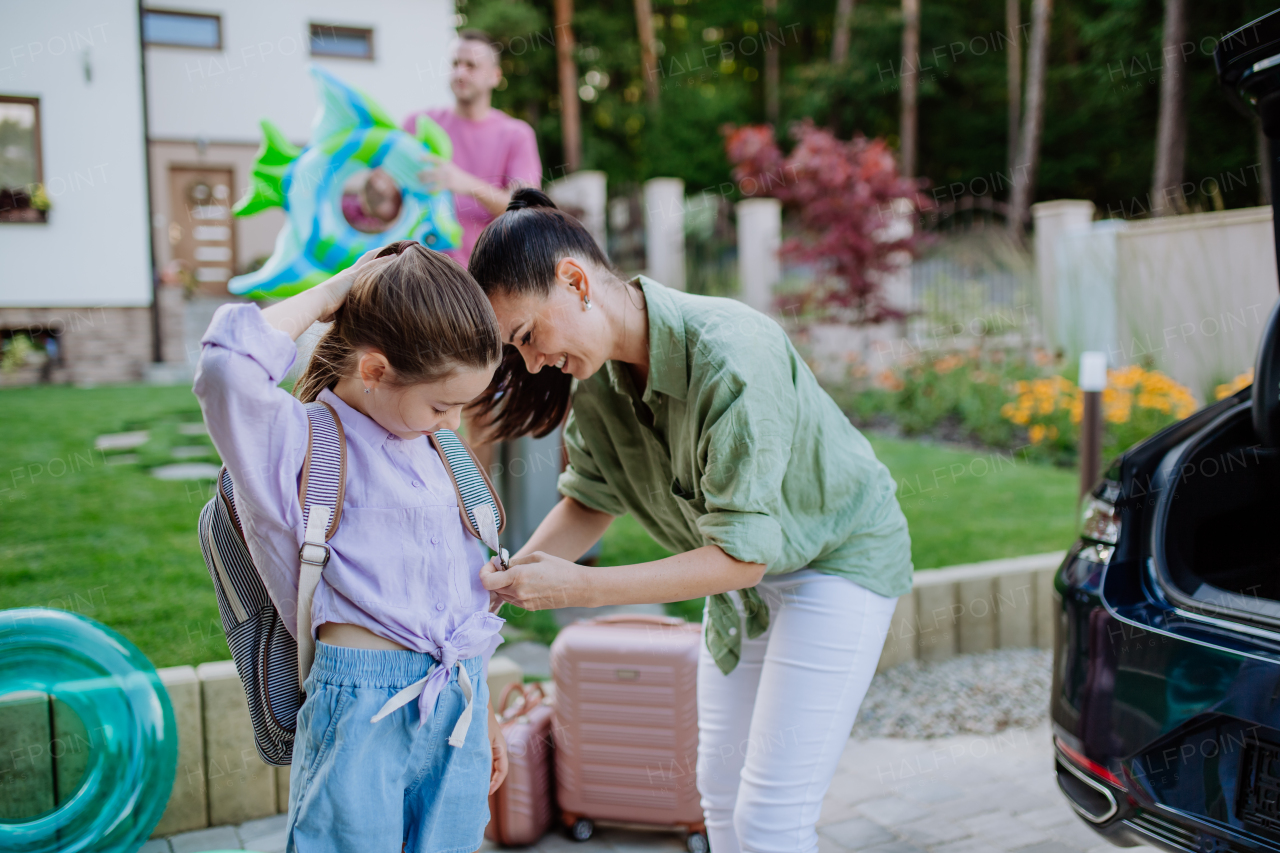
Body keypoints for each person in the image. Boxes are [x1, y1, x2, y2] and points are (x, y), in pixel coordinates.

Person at [467, 189, 913, 853]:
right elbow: (590, 500)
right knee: (719, 796)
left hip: (834, 563)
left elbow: (743, 555)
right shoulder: (598, 384)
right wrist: (498, 587)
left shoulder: (732, 357)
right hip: (744, 582)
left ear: (575, 279)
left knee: (770, 818)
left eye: (528, 335)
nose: (531, 362)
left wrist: (578, 588)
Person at [193, 242, 509, 853]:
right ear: (372, 369)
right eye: (442, 405)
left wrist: (482, 706)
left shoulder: (439, 451)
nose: (452, 422)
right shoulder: (298, 445)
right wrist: (335, 293)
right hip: (361, 706)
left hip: (457, 698)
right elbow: (227, 368)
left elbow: (462, 596)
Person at [404, 30, 541, 263]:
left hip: (487, 279)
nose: (460, 72)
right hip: (420, 275)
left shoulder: (517, 134)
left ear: (495, 76)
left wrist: (465, 184)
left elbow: (525, 210)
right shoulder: (417, 124)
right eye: (455, 63)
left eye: (471, 65)